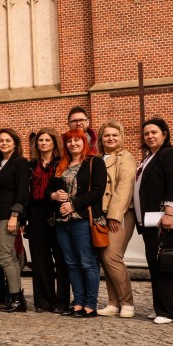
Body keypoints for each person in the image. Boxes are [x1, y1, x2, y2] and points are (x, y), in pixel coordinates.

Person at [134, 117, 173, 324]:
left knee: (164, 264)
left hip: (164, 220)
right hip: (151, 221)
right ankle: (165, 307)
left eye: (154, 132)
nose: (150, 136)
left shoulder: (170, 154)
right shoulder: (149, 157)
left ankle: (168, 312)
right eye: (146, 133)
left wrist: (169, 212)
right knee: (156, 264)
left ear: (164, 134)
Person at [48, 128, 106, 318]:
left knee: (87, 262)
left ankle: (91, 304)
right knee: (71, 263)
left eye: (77, 140)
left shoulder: (94, 162)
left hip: (81, 219)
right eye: (70, 141)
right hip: (61, 221)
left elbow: (97, 191)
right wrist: (54, 195)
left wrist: (73, 205)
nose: (73, 144)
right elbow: (50, 190)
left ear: (85, 142)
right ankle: (78, 302)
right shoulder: (60, 164)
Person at [25, 128, 70, 313]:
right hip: (36, 214)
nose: (43, 143)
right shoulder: (31, 165)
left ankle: (61, 301)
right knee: (40, 259)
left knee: (61, 259)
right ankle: (43, 300)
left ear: (54, 143)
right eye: (40, 140)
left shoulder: (62, 164)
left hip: (57, 214)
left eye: (47, 140)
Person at [96, 120, 137, 318]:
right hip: (99, 214)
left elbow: (124, 187)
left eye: (114, 135)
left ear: (121, 137)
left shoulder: (125, 157)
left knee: (113, 256)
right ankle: (113, 302)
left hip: (120, 214)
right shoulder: (97, 158)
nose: (110, 138)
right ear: (101, 138)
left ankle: (127, 302)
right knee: (105, 259)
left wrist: (114, 215)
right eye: (106, 135)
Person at [0, 128, 31, 313]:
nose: (4, 143)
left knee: (4, 256)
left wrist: (16, 215)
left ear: (15, 143)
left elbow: (22, 191)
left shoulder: (20, 163)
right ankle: (16, 297)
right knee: (10, 257)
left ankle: (16, 298)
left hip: (8, 216)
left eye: (8, 140)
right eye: (1, 140)